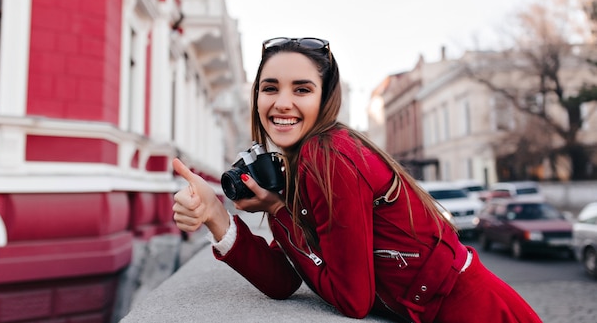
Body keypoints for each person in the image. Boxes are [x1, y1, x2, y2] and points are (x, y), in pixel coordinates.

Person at [171, 37, 542, 323]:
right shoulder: (303, 160)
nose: (282, 103)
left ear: (324, 98)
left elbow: (353, 299)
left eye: (302, 89)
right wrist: (216, 217)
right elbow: (284, 279)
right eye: (270, 88)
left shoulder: (327, 154)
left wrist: (278, 210)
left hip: (475, 311)